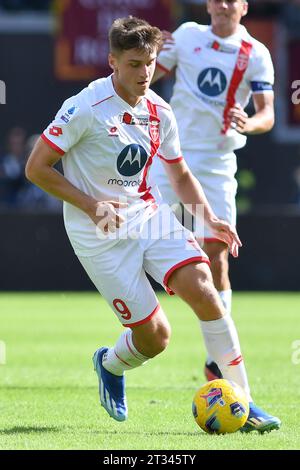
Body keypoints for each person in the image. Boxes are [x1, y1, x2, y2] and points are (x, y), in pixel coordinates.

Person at [25, 16, 280, 433]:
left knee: (205, 288)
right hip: (99, 235)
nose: (144, 73)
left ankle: (244, 402)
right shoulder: (84, 107)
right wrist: (91, 206)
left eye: (150, 62)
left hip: (149, 216)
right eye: (133, 64)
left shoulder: (160, 111)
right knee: (155, 339)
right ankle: (109, 363)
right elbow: (37, 168)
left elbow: (178, 174)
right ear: (112, 62)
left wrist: (209, 218)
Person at [151, 0, 275, 381]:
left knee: (218, 257)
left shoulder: (256, 53)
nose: (222, 5)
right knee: (137, 239)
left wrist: (249, 123)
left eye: (230, 0)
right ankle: (135, 337)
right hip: (170, 159)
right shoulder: (187, 36)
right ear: (208, 5)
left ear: (243, 6)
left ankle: (215, 360)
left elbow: (267, 113)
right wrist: (150, 48)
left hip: (218, 165)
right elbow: (149, 73)